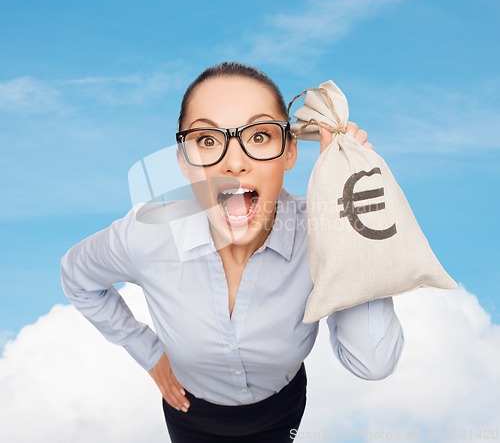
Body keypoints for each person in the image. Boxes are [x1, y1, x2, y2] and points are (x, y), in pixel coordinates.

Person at [61, 62, 404, 443]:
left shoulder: (322, 231)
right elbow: (77, 277)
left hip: (281, 409)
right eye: (207, 141)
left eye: (259, 137)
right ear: (182, 161)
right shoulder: (147, 233)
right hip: (189, 412)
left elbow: (373, 362)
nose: (235, 161)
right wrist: (148, 353)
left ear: (290, 153)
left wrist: (349, 210)